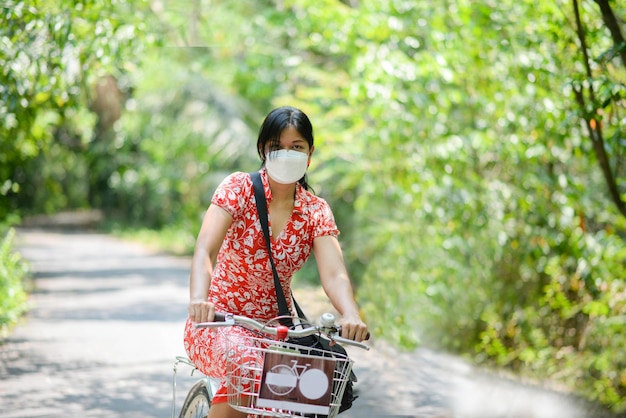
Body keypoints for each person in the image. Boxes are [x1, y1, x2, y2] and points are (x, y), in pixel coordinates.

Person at [184, 106, 369, 418]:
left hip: (276, 332)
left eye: (296, 147)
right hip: (219, 322)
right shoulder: (238, 189)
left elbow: (335, 273)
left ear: (310, 154)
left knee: (304, 397)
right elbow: (205, 250)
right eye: (277, 147)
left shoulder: (315, 211)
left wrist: (350, 313)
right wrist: (200, 300)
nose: (287, 154)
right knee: (249, 367)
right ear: (263, 150)